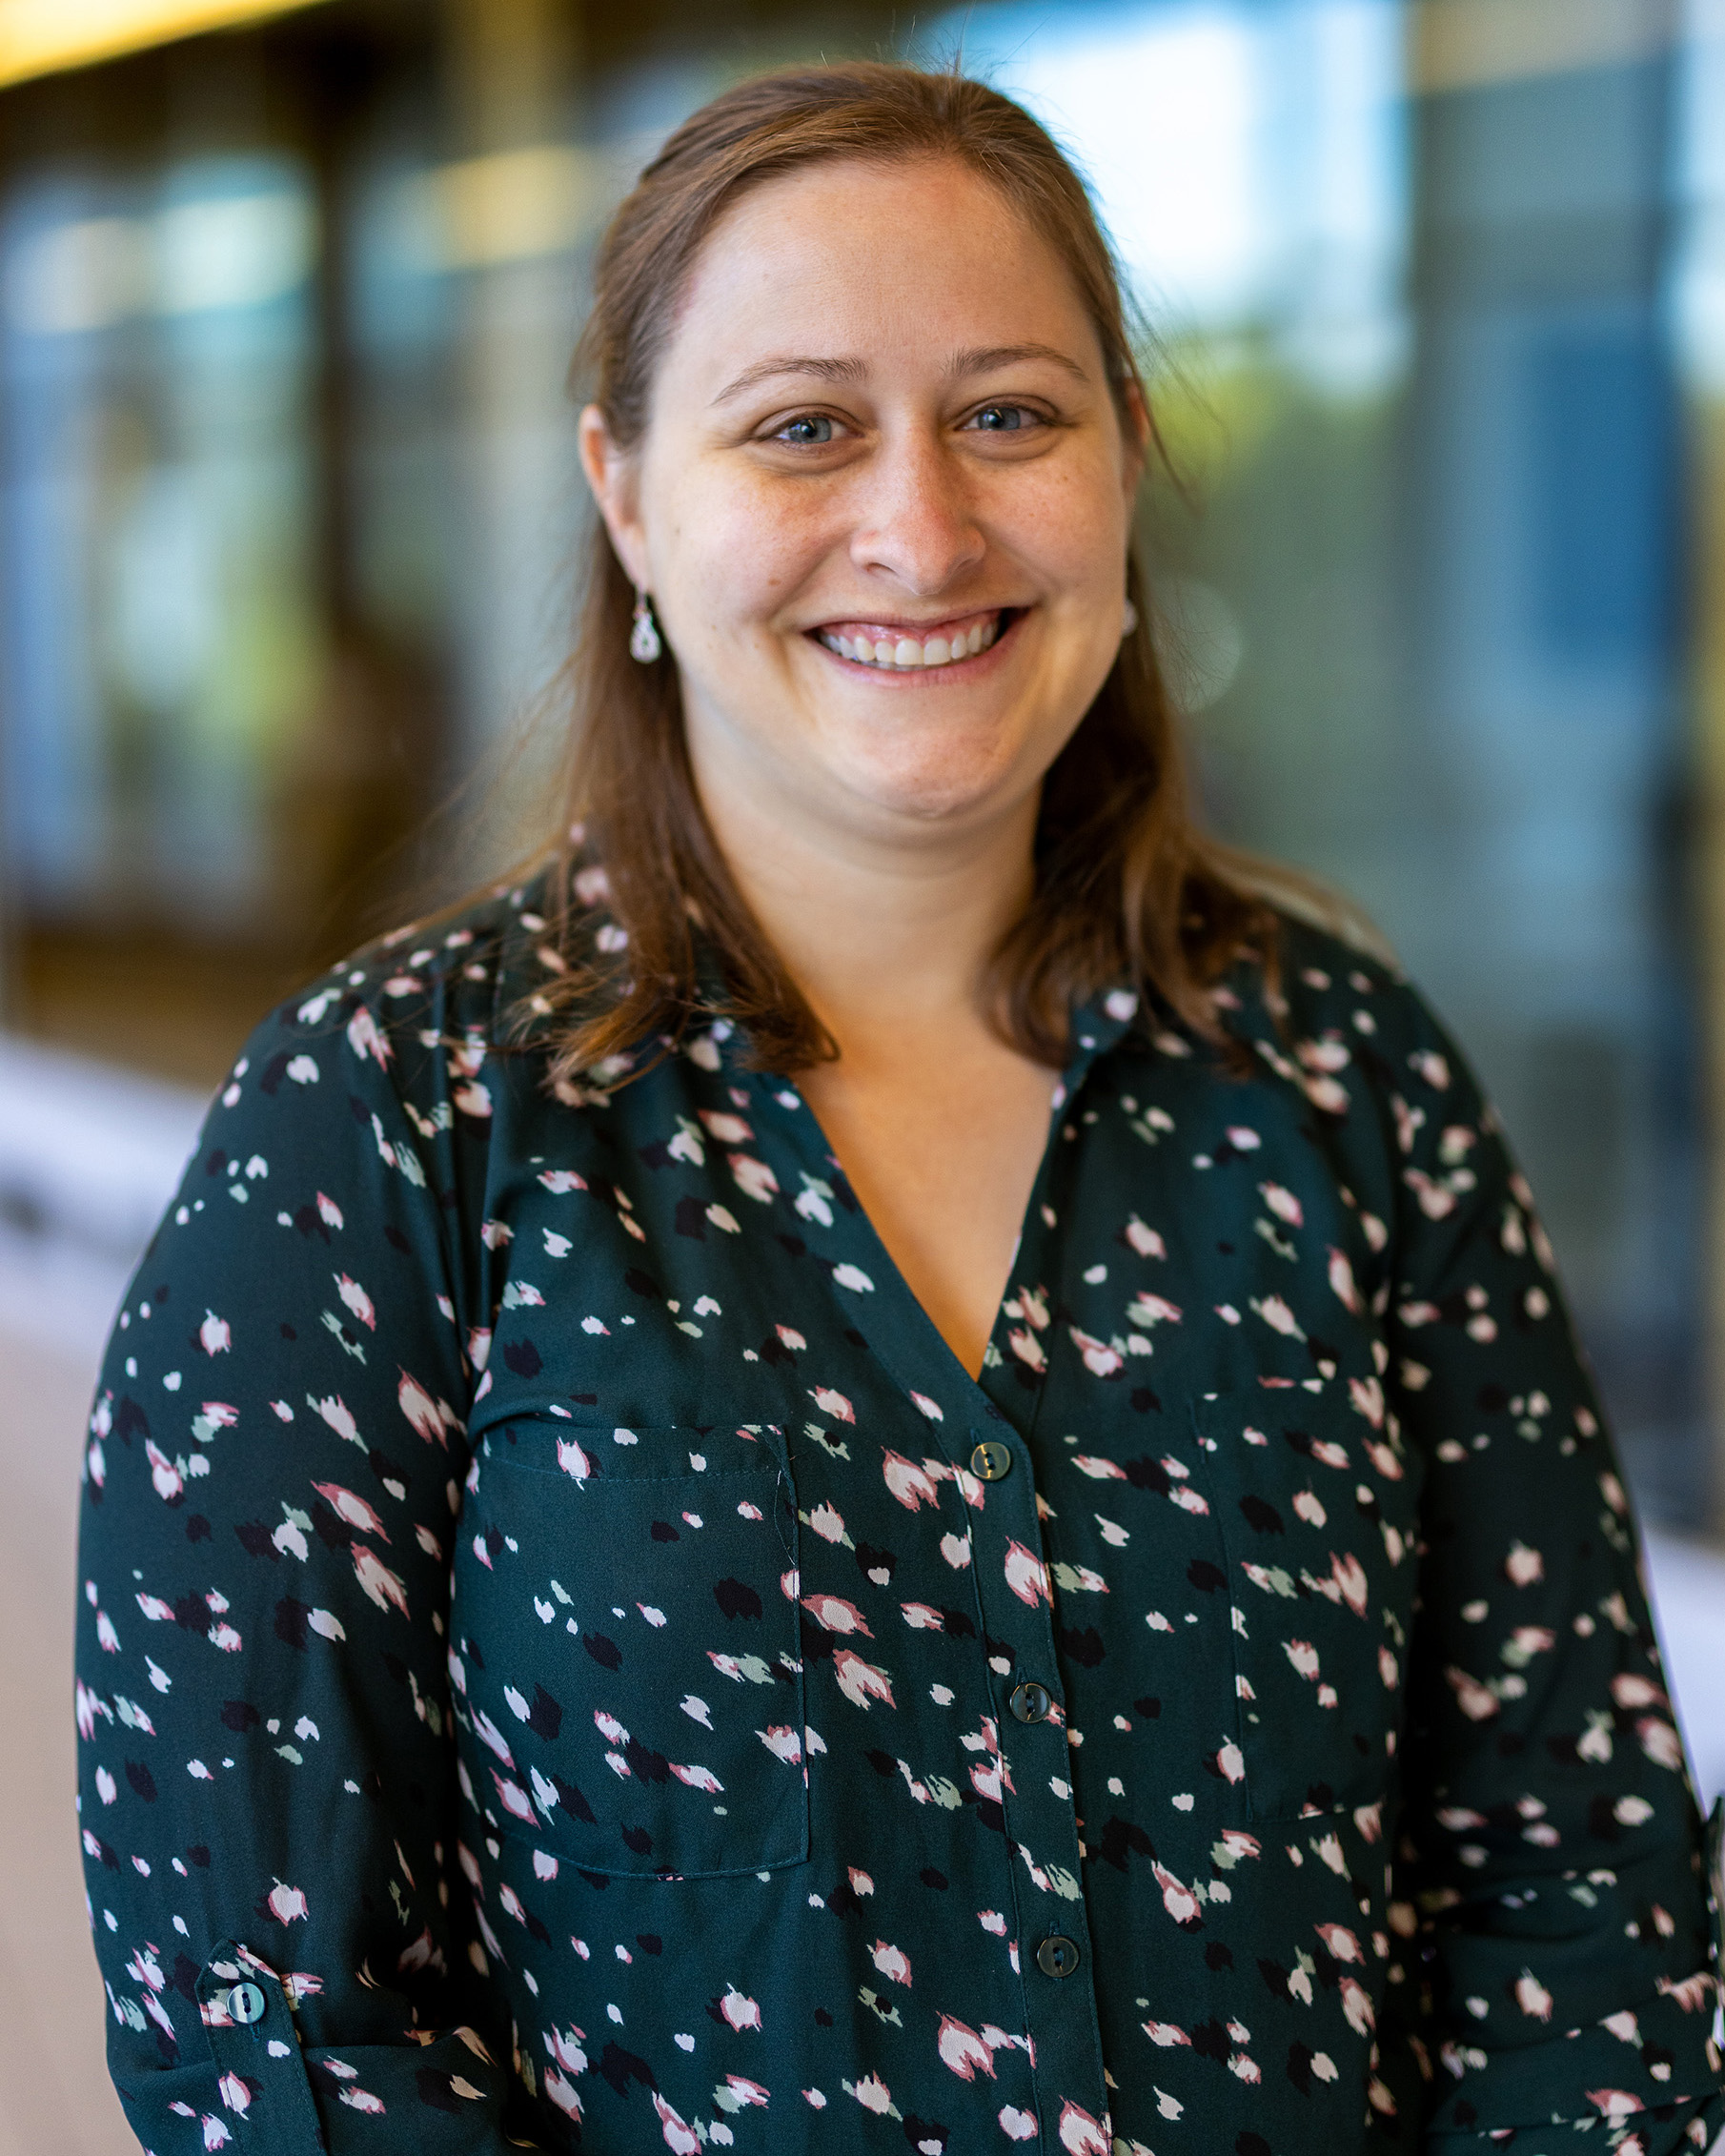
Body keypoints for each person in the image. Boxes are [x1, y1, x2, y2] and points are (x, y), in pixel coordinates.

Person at [73, 59, 1723, 2156]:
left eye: (1008, 414)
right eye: (800, 428)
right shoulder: (383, 1128)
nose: (921, 528)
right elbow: (264, 2020)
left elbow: (1569, 1880)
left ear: (1124, 462)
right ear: (627, 497)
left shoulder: (1341, 1082)